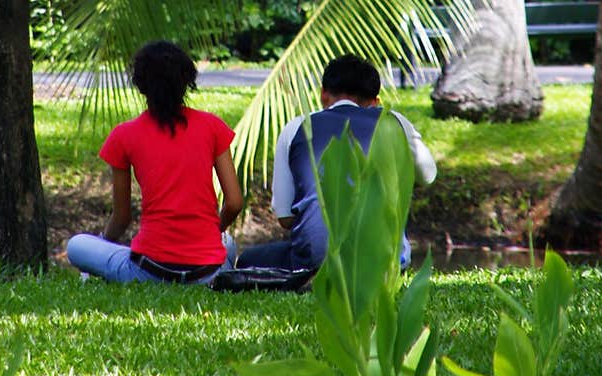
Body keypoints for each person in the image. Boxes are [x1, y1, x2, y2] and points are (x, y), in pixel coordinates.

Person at [236, 53, 436, 275]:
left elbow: (284, 217)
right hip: (385, 264)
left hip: (313, 263)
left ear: (323, 94)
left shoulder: (297, 128)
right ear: (375, 102)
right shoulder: (394, 122)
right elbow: (427, 176)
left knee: (247, 259)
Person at [66, 40, 244, 285]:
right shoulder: (212, 126)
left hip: (149, 271)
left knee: (77, 245)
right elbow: (234, 202)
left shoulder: (123, 135)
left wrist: (104, 241)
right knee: (228, 243)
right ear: (187, 82)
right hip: (206, 273)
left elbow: (122, 217)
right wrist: (212, 234)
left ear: (141, 86)